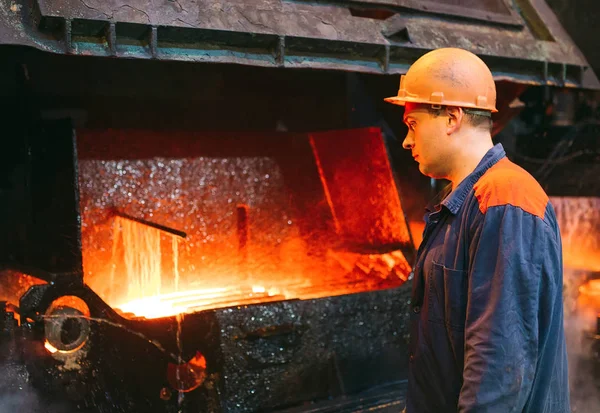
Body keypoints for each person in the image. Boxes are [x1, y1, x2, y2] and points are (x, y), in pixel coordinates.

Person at [385, 48, 570, 412]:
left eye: (412, 125)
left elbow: (500, 367)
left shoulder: (504, 200)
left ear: (451, 118)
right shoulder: (463, 201)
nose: (407, 141)